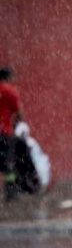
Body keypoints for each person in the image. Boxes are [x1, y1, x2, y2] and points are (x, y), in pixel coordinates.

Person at [0, 67, 24, 202]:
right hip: (4, 132)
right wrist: (20, 124)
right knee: (9, 163)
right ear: (8, 78)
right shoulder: (10, 91)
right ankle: (11, 193)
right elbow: (19, 112)